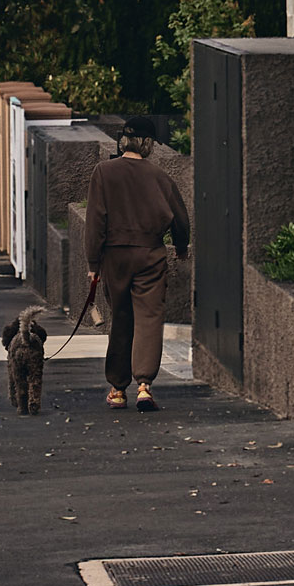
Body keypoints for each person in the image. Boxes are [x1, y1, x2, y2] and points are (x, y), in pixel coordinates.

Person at [84, 113, 190, 410]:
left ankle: (118, 389)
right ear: (146, 143)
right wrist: (180, 246)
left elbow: (95, 222)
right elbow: (180, 219)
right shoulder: (159, 177)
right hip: (150, 256)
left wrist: (93, 263)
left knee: (121, 318)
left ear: (124, 140)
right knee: (148, 318)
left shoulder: (103, 172)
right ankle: (144, 385)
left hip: (115, 257)